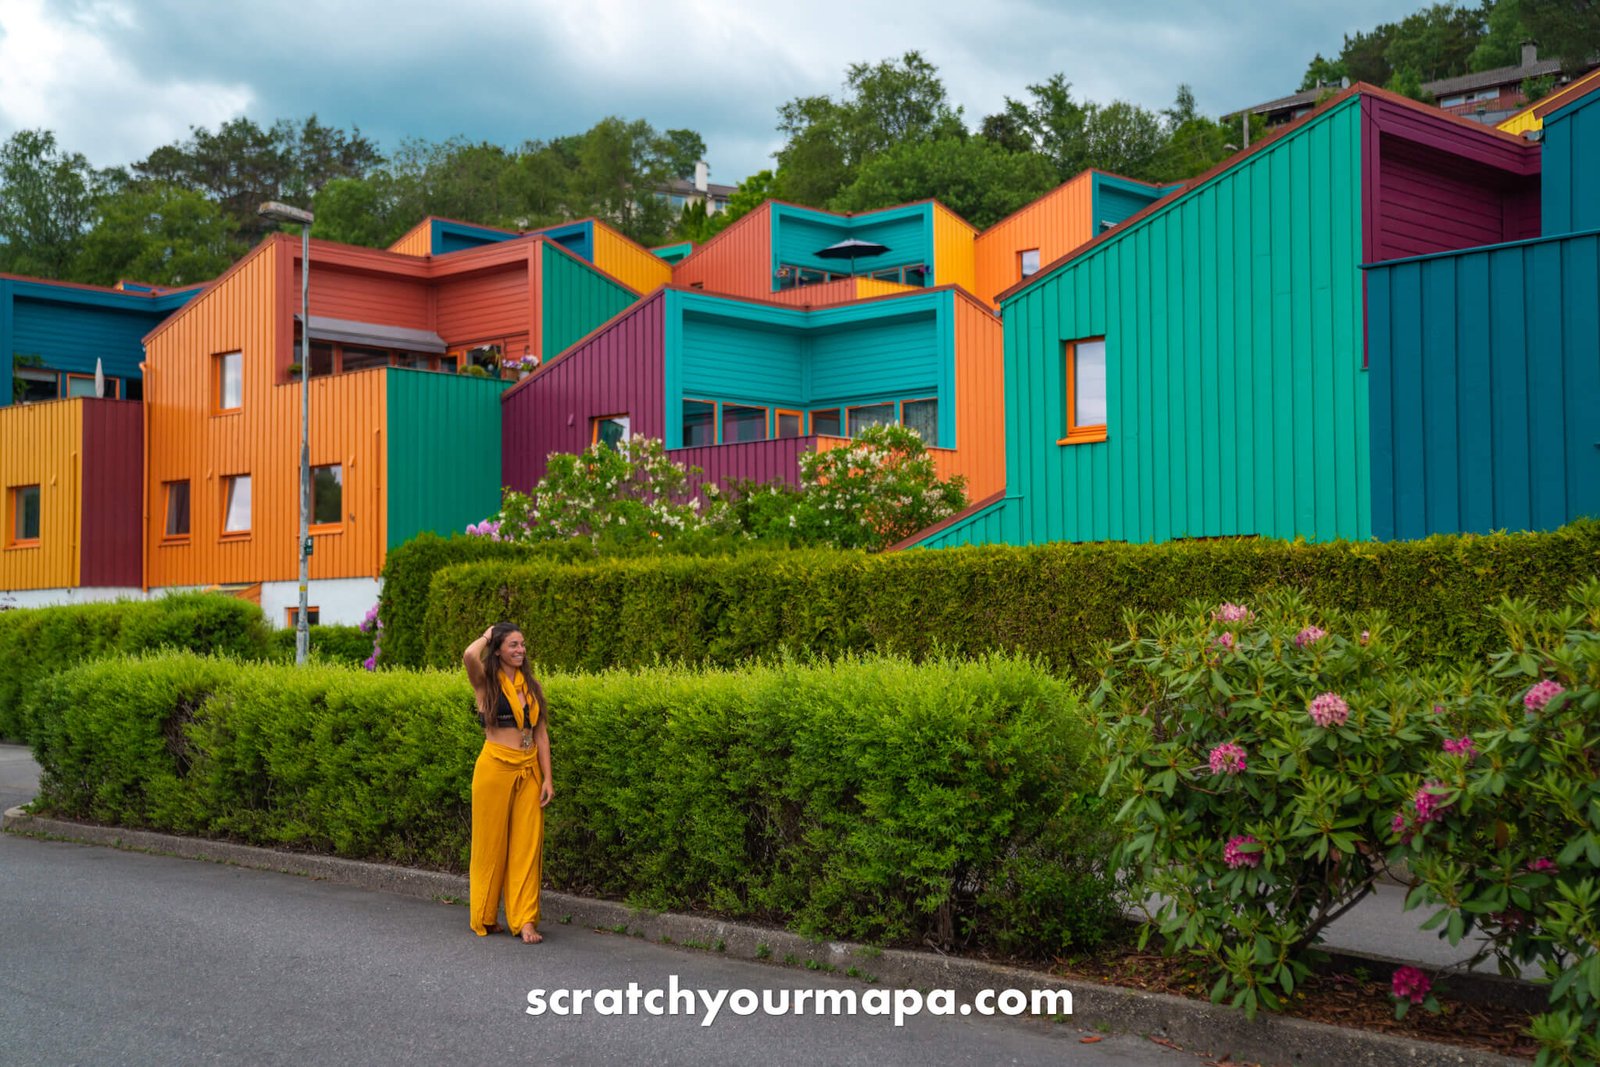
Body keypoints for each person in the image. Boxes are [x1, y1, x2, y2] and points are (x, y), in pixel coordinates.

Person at [462, 622, 553, 943]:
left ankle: (525, 920)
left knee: (527, 846)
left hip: (529, 769)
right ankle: (485, 916)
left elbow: (541, 733)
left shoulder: (531, 686)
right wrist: (488, 634)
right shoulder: (485, 682)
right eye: (513, 644)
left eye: (523, 645)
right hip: (494, 768)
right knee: (491, 844)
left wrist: (547, 779)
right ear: (498, 649)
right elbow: (469, 654)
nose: (520, 650)